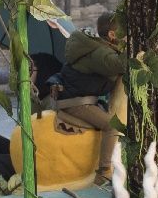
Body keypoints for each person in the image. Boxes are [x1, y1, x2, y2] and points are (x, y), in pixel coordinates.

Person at [53, 13, 127, 182]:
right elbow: (120, 64)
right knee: (112, 126)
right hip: (76, 103)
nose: (126, 37)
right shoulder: (100, 53)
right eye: (124, 33)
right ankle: (104, 172)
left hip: (84, 99)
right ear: (112, 35)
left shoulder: (97, 47)